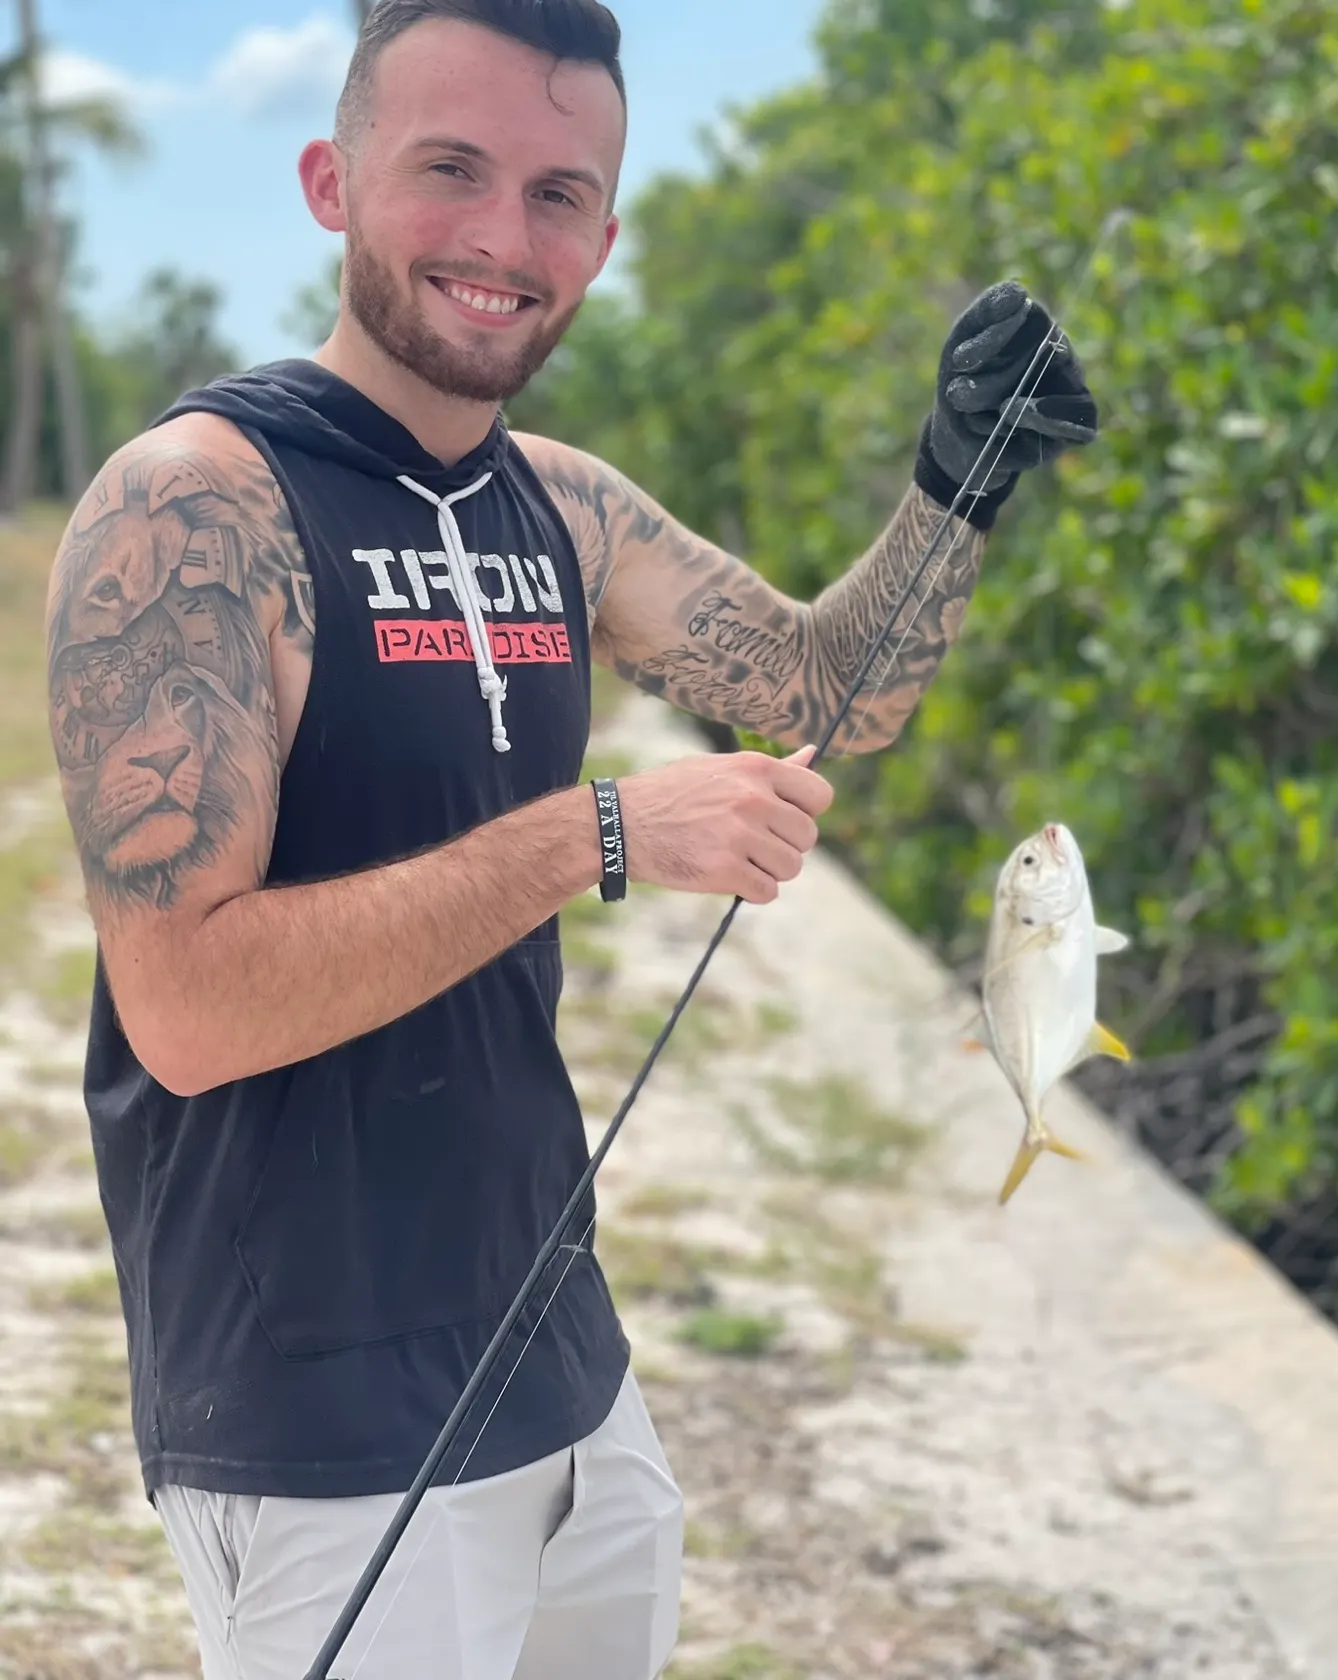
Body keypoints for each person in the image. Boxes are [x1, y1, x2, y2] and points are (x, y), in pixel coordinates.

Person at [42, 2, 1099, 1677]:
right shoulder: (198, 503)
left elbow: (827, 685)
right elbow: (183, 1009)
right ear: (331, 180)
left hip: (558, 1350)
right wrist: (597, 832)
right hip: (313, 1406)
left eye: (557, 194)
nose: (501, 237)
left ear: (604, 235)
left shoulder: (560, 506)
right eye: (448, 170)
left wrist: (957, 482)